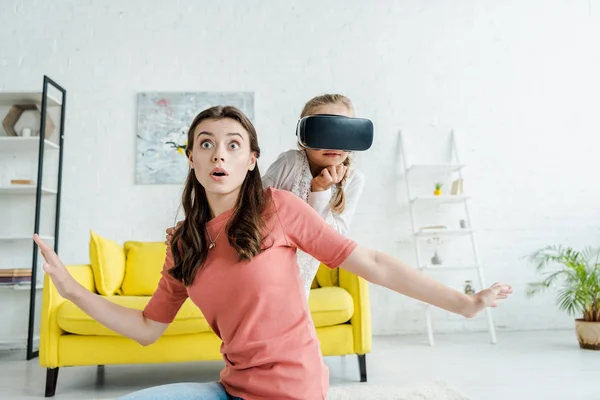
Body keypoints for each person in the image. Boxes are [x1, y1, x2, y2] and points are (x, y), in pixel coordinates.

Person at [33, 105, 512, 400]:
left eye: (233, 145)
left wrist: (464, 303)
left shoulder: (278, 208)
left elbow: (372, 263)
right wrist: (72, 291)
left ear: (251, 160)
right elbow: (145, 330)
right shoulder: (184, 243)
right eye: (207, 144)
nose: (219, 154)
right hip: (230, 389)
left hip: (294, 393)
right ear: (192, 158)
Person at [261, 94, 365, 297]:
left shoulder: (354, 180)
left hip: (302, 274)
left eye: (343, 133)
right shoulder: (290, 163)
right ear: (304, 137)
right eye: (324, 133)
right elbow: (253, 209)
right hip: (263, 265)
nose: (334, 143)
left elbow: (332, 240)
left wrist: (320, 190)